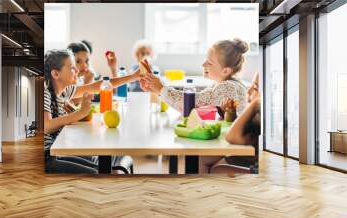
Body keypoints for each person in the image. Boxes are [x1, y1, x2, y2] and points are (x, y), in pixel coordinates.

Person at [139, 39, 250, 173]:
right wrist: (157, 89)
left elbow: (190, 104)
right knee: (200, 159)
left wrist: (161, 88)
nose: (203, 64)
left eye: (209, 62)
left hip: (239, 147)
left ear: (226, 70)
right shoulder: (222, 84)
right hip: (231, 141)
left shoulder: (228, 87)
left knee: (199, 159)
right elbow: (194, 102)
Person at [44, 49, 141, 173]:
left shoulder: (65, 91)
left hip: (58, 152)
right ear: (56, 74)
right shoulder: (46, 93)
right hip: (47, 157)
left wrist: (133, 77)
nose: (77, 71)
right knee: (95, 173)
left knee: (99, 169)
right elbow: (46, 126)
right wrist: (79, 113)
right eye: (72, 68)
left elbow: (99, 85)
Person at [206, 72, 261, 174]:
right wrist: (231, 113)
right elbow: (240, 130)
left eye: (256, 88)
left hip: (260, 167)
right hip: (251, 159)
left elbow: (232, 137)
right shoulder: (258, 114)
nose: (248, 91)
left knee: (218, 170)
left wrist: (254, 103)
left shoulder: (261, 116)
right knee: (205, 158)